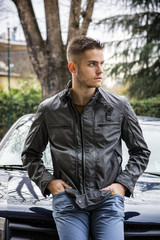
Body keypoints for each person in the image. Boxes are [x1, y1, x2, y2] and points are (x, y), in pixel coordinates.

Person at [22, 36, 150, 240]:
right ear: (73, 67)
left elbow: (141, 151)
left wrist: (123, 184)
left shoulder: (119, 106)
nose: (100, 70)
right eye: (92, 64)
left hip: (108, 199)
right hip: (68, 200)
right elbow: (30, 154)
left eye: (101, 64)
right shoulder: (49, 110)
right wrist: (48, 182)